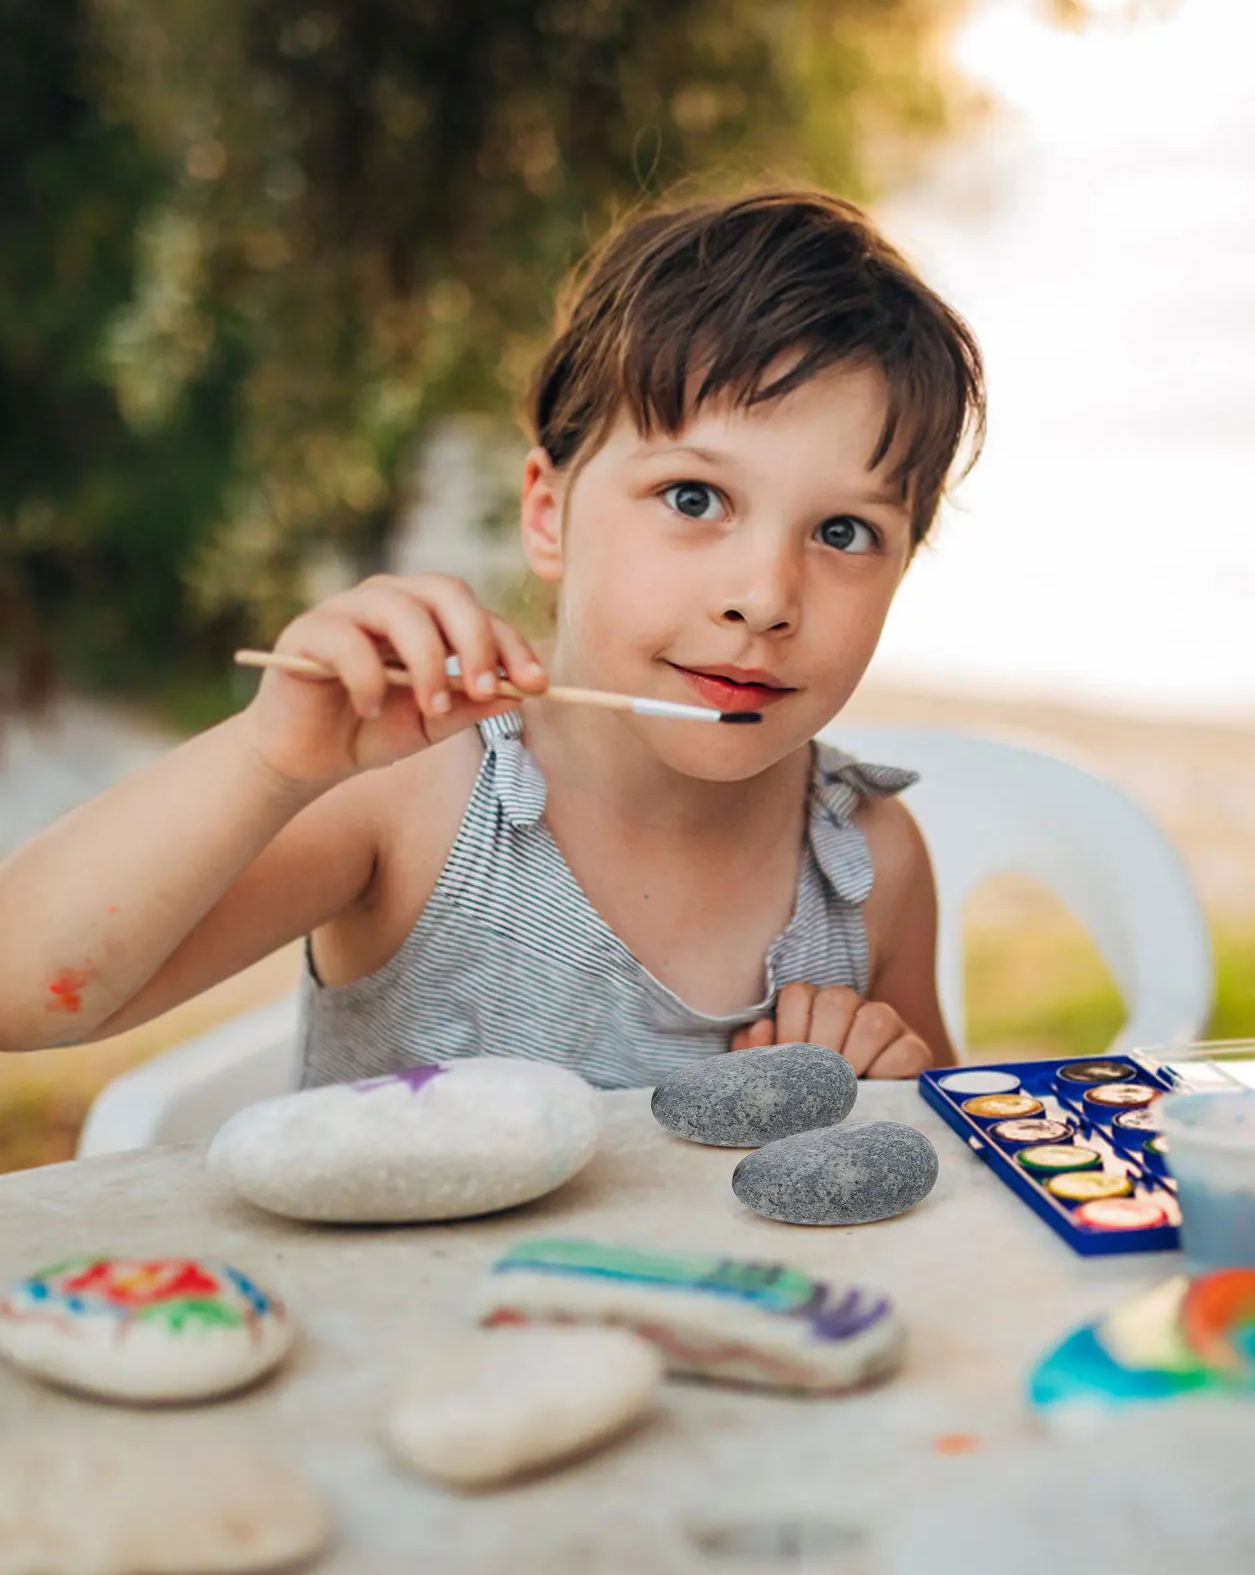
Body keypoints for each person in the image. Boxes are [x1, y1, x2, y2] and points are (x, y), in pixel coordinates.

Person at [0, 187, 985, 1090]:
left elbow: (931, 1179)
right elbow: (23, 988)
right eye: (694, 497)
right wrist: (270, 759)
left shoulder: (869, 866)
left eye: (844, 533)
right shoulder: (415, 794)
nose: (766, 596)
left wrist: (878, 1088)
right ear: (548, 516)